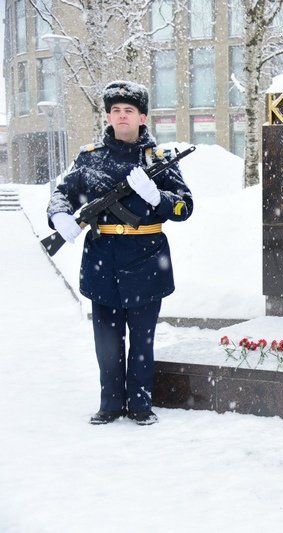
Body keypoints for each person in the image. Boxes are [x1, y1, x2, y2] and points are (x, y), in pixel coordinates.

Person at [47, 80, 193, 426]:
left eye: (129, 111)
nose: (122, 116)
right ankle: (110, 404)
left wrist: (158, 198)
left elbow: (185, 207)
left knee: (142, 341)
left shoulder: (159, 160)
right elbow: (62, 193)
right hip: (103, 258)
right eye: (116, 111)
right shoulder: (90, 157)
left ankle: (141, 405)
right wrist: (59, 215)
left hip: (146, 258)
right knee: (107, 342)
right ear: (109, 116)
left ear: (143, 117)